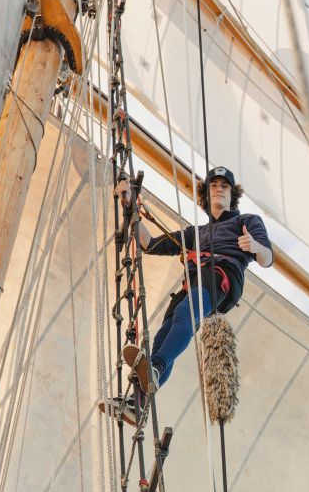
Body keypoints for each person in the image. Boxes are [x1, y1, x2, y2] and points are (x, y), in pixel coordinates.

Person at [103, 166, 272, 425]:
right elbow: (149, 244)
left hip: (221, 275)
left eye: (224, 186)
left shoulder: (246, 221)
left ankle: (157, 368)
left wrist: (256, 246)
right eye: (213, 185)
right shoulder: (195, 233)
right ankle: (138, 406)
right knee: (162, 336)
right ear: (206, 193)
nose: (218, 188)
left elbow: (267, 258)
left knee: (184, 315)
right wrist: (130, 205)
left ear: (232, 195)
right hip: (193, 283)